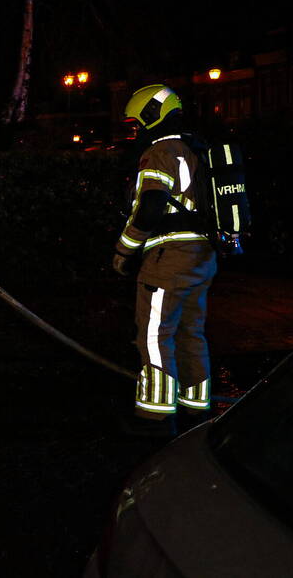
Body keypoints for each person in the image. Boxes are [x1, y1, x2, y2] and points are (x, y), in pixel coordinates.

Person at [113, 84, 216, 437]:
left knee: (156, 336)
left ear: (151, 115)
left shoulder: (159, 153)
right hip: (201, 256)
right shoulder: (195, 149)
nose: (135, 131)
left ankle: (155, 417)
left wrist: (125, 250)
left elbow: (150, 207)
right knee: (192, 334)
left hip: (167, 259)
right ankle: (196, 411)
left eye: (136, 123)